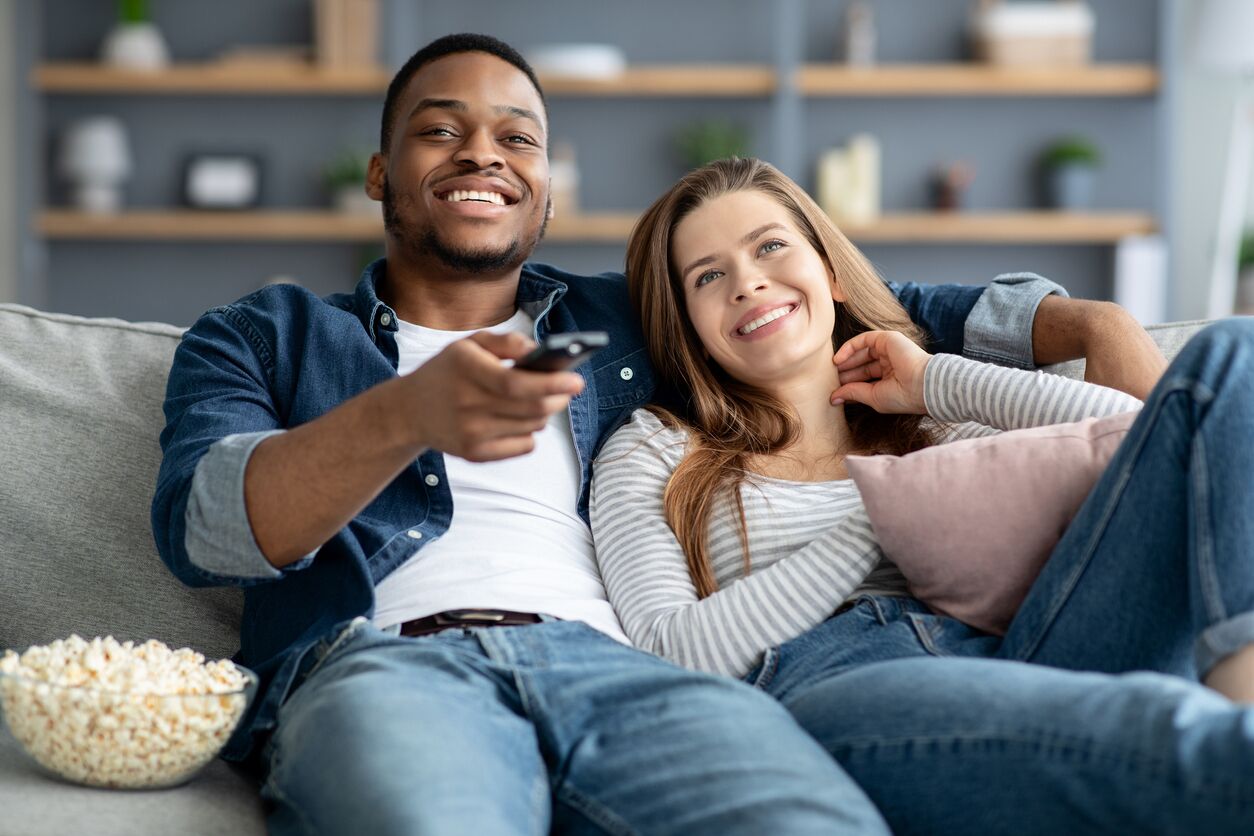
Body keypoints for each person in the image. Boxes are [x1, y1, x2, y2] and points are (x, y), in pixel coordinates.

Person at [152, 32, 1169, 835]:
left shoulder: (622, 318)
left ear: (545, 191)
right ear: (379, 173)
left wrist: (1084, 323)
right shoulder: (266, 334)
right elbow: (207, 528)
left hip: (620, 674)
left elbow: (852, 301)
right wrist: (405, 416)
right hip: (385, 662)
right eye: (440, 129)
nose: (482, 153)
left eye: (518, 138)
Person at [591, 156, 1254, 835]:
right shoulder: (658, 449)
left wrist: (934, 380)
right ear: (686, 326)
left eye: (770, 246)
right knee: (1147, 735)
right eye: (709, 275)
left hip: (1028, 644)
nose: (749, 281)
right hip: (844, 684)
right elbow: (668, 653)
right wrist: (890, 516)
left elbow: (1139, 437)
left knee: (1235, 355)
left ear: (832, 273)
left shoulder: (931, 427)